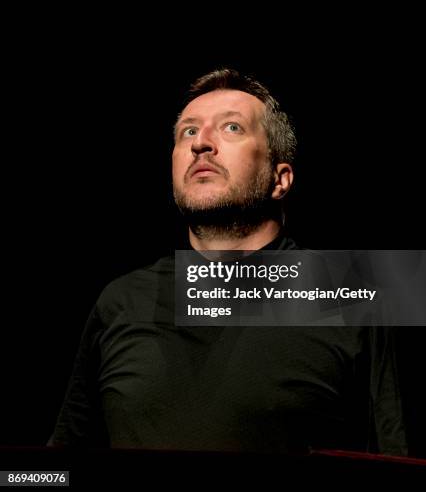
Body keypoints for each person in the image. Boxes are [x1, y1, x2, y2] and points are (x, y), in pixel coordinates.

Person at [49, 68, 407, 455]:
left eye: (231, 128)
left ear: (279, 178)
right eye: (188, 131)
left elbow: (391, 459)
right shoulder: (122, 300)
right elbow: (58, 468)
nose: (201, 143)